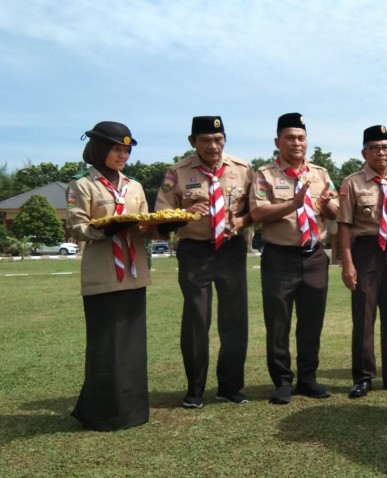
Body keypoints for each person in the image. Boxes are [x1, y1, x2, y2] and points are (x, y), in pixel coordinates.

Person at [155, 116, 254, 408]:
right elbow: (162, 214)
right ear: (192, 142)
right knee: (197, 319)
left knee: (235, 320)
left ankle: (230, 387)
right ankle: (195, 389)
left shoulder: (243, 169)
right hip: (195, 250)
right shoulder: (178, 172)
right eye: (205, 140)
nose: (213, 145)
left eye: (218, 139)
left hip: (231, 248)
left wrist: (242, 219)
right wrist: (184, 214)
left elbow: (254, 209)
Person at [67, 121, 151, 430]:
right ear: (100, 148)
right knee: (105, 345)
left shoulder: (136, 186)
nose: (122, 154)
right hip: (102, 273)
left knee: (131, 344)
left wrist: (164, 228)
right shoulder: (82, 185)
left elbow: (143, 223)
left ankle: (132, 410)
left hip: (133, 271)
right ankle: (101, 412)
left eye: (126, 149)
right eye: (116, 148)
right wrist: (106, 228)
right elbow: (77, 228)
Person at [250, 113, 338, 404]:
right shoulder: (265, 174)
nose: (296, 143)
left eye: (301, 137)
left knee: (312, 321)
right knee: (278, 322)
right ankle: (282, 381)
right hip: (280, 257)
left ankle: (308, 378)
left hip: (314, 256)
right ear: (278, 142)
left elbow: (335, 210)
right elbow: (258, 213)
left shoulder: (320, 173)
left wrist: (328, 206)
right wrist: (293, 204)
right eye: (290, 137)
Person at [338, 125, 387, 398]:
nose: (381, 152)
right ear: (364, 152)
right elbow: (344, 226)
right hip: (366, 251)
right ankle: (363, 376)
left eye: (385, 147)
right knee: (365, 316)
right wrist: (348, 263)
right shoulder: (352, 183)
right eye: (374, 147)